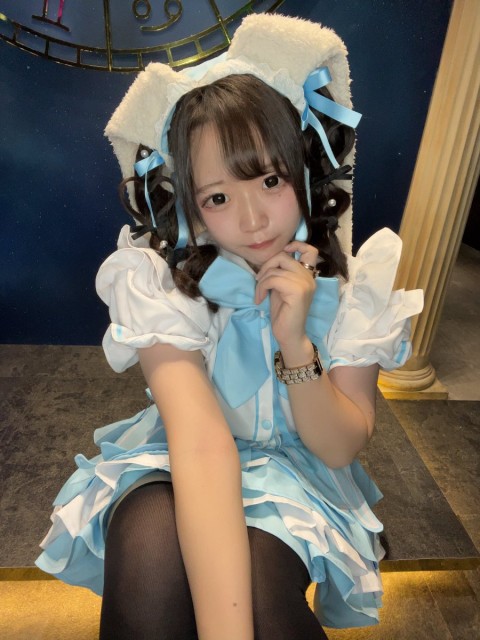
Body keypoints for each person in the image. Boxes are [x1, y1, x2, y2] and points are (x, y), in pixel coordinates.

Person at [36, 13, 423, 640]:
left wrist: (295, 341)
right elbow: (198, 442)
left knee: (264, 592)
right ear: (191, 206)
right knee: (149, 550)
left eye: (270, 180)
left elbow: (339, 447)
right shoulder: (164, 287)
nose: (251, 219)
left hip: (296, 476)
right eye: (217, 197)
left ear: (304, 168)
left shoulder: (355, 295)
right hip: (179, 458)